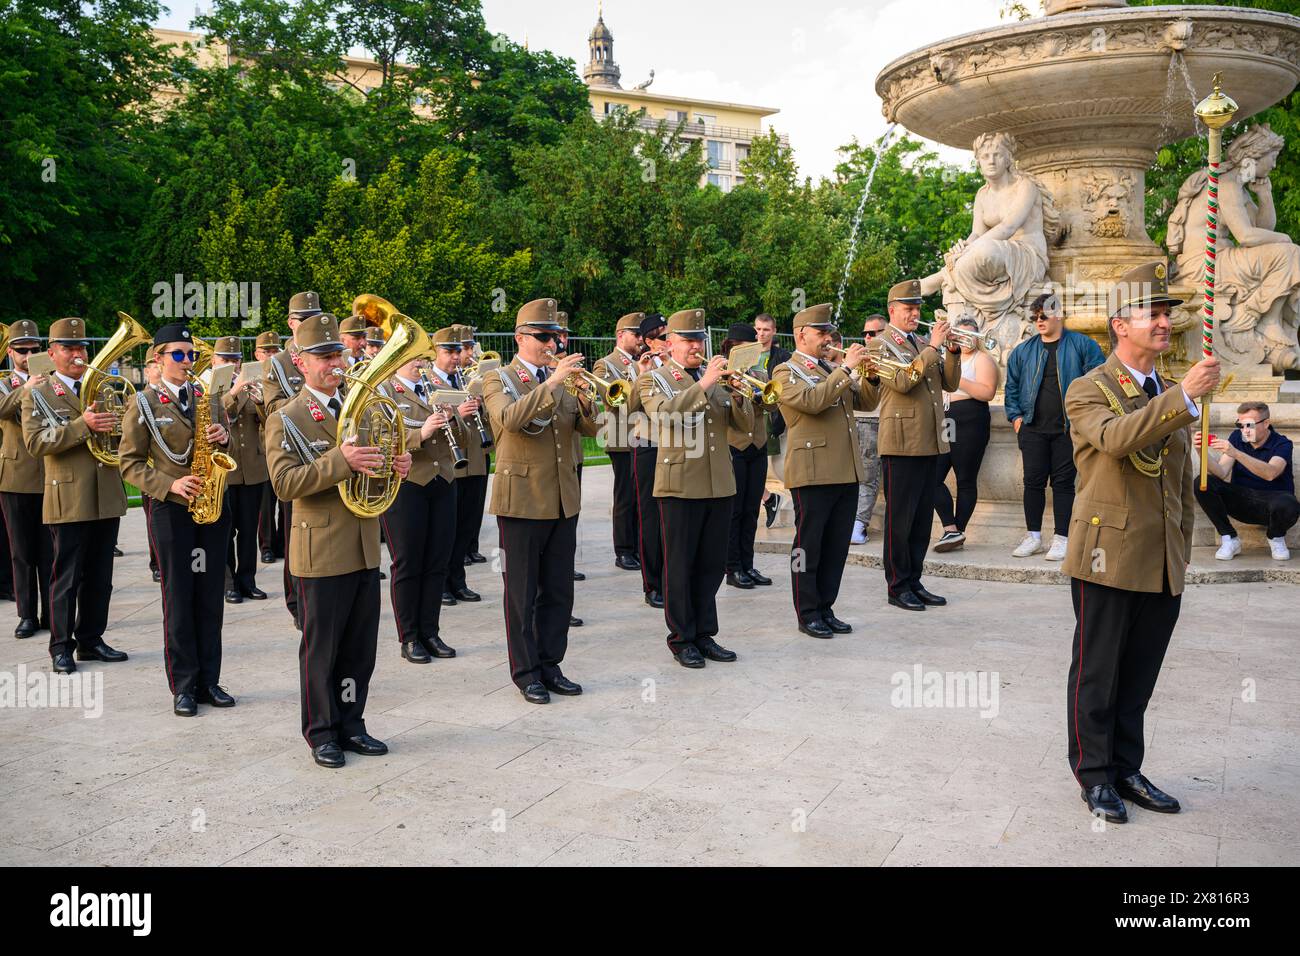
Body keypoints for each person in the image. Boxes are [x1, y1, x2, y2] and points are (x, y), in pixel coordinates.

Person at [1063, 261, 1221, 824]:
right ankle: (1095, 774)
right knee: (1098, 672)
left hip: (1160, 559)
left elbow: (1177, 480)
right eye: (1150, 313)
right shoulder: (1089, 387)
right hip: (1108, 555)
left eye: (1165, 313)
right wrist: (1184, 396)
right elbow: (1114, 439)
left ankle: (1127, 767)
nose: (1162, 322)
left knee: (1139, 676)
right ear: (1118, 326)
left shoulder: (1164, 390)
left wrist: (1182, 545)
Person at [264, 312, 410, 768]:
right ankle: (321, 731)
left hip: (364, 543)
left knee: (359, 648)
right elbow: (285, 484)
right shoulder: (285, 417)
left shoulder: (361, 406)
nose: (334, 363)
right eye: (323, 356)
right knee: (322, 648)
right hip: (320, 550)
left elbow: (374, 461)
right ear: (299, 362)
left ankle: (352, 723)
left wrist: (395, 465)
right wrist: (339, 460)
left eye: (337, 354)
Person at [480, 298, 596, 704]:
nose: (552, 343)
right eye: (544, 336)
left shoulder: (559, 379)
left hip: (563, 497)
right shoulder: (498, 378)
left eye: (556, 336)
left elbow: (589, 427)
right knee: (522, 591)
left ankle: (551, 663)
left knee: (559, 590)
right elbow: (510, 420)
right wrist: (551, 384)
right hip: (523, 500)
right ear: (520, 337)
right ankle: (526, 671)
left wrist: (587, 398)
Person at [120, 325, 236, 716]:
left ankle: (210, 680)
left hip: (211, 505)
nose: (188, 361)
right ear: (158, 359)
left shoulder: (209, 398)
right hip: (172, 510)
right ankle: (184, 685)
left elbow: (227, 444)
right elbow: (130, 464)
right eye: (179, 355)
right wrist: (170, 484)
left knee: (209, 595)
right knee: (179, 595)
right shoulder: (144, 404)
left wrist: (224, 438)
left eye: (191, 354)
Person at [639, 308, 753, 668]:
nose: (695, 346)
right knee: (680, 565)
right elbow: (667, 415)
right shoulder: (654, 379)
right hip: (679, 484)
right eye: (688, 340)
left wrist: (738, 395)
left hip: (719, 482)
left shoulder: (713, 378)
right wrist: (705, 384)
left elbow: (741, 428)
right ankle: (681, 637)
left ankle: (705, 633)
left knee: (711, 564)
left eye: (699, 339)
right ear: (670, 343)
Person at [21, 317, 129, 674]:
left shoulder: (100, 388)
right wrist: (84, 425)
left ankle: (91, 639)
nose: (77, 354)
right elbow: (36, 443)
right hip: (69, 496)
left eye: (81, 347)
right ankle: (60, 646)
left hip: (106, 493)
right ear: (51, 353)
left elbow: (119, 439)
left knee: (101, 576)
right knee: (67, 577)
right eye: (68, 348)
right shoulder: (38, 392)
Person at [774, 305, 877, 637]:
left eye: (830, 334)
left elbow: (865, 402)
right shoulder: (785, 372)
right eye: (821, 334)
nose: (829, 340)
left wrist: (871, 375)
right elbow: (813, 402)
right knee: (808, 545)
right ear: (801, 335)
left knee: (836, 546)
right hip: (813, 470)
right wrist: (846, 368)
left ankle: (826, 606)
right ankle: (806, 611)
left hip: (845, 469)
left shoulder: (832, 368)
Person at [868, 280, 960, 611]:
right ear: (892, 310)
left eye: (917, 308)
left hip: (929, 441)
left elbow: (949, 383)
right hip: (901, 443)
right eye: (909, 309)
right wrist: (934, 348)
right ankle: (897, 585)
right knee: (900, 519)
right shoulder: (880, 345)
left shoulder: (922, 342)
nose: (915, 314)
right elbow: (904, 381)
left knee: (922, 519)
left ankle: (914, 580)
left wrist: (951, 351)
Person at [379, 327, 467, 664]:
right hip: (407, 484)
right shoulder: (386, 391)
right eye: (416, 357)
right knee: (408, 561)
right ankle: (410, 636)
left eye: (425, 357)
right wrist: (422, 433)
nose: (421, 363)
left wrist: (455, 417)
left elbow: (461, 434)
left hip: (443, 480)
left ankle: (431, 631)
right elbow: (382, 437)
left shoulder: (440, 388)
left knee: (437, 561)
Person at [1005, 293, 1105, 559]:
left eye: (1044, 316)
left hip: (1068, 429)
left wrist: (1085, 421)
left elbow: (1100, 381)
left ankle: (1062, 537)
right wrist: (1016, 419)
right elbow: (1011, 387)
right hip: (1032, 428)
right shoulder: (1023, 351)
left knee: (1063, 484)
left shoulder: (1083, 345)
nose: (1039, 321)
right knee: (1033, 483)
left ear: (1058, 315)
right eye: (1035, 316)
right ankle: (1033, 536)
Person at [263, 291, 321, 631]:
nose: (309, 326)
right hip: (295, 456)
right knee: (294, 535)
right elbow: (272, 410)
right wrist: (307, 397)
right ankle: (296, 601)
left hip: (327, 453)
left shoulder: (322, 354)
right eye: (304, 321)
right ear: (290, 323)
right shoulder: (279, 364)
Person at [419, 326, 479, 606]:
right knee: (443, 533)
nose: (456, 357)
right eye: (449, 351)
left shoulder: (464, 380)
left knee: (465, 527)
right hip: (442, 465)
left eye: (458, 351)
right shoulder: (428, 381)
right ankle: (441, 583)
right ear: (434, 353)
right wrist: (458, 413)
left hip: (469, 460)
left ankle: (457, 580)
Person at [0, 320, 53, 637]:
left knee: (50, 552)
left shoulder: (51, 382)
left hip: (50, 474)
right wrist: (26, 389)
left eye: (34, 349)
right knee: (21, 551)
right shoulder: (6, 383)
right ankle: (26, 615)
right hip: (16, 477)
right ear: (10, 352)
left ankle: (50, 613)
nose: (28, 354)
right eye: (22, 350)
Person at [1193, 401, 1297, 560]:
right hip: (1241, 501)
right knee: (1203, 482)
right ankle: (1229, 538)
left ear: (1266, 423)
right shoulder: (1237, 437)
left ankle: (1276, 537)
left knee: (1289, 504)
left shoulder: (1282, 443)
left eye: (1249, 425)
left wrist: (1236, 453)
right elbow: (1221, 472)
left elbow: (1271, 473)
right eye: (1241, 425)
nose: (1245, 431)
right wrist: (1201, 451)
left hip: (1272, 505)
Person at [209, 336, 269, 604]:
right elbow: (215, 414)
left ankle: (248, 581)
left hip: (252, 468)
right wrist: (233, 392)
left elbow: (267, 422)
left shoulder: (249, 385)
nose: (232, 364)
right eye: (226, 359)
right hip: (225, 469)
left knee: (248, 530)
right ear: (214, 361)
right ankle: (228, 583)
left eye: (236, 360)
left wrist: (260, 401)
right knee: (225, 530)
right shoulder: (209, 387)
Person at [933, 316, 999, 552]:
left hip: (970, 417)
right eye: (961, 335)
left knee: (965, 479)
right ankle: (951, 528)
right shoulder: (944, 358)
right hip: (946, 418)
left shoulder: (982, 359)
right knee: (931, 476)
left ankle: (957, 530)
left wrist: (954, 376)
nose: (966, 339)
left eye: (971, 335)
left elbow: (987, 392)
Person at [722, 323, 775, 590]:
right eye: (746, 348)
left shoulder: (758, 370)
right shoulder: (722, 373)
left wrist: (761, 396)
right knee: (736, 510)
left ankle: (748, 563)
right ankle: (732, 568)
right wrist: (736, 387)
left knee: (752, 509)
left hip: (758, 444)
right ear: (733, 348)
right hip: (735, 446)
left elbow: (772, 400)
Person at [593, 312, 645, 572]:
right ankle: (624, 549)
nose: (640, 340)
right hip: (621, 437)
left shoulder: (644, 362)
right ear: (620, 335)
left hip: (645, 435)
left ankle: (638, 546)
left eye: (641, 335)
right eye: (636, 335)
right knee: (626, 496)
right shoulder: (605, 365)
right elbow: (613, 399)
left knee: (642, 495)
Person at [629, 313, 667, 608]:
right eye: (662, 337)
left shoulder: (677, 366)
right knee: (651, 516)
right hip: (649, 442)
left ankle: (673, 577)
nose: (667, 342)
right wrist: (642, 374)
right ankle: (652, 583)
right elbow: (626, 409)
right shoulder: (636, 368)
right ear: (648, 341)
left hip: (678, 444)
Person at [852, 314, 887, 545]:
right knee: (855, 477)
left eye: (872, 333)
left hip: (872, 421)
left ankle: (858, 525)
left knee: (867, 477)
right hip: (853, 422)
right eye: (865, 333)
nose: (867, 337)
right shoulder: (859, 357)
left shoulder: (890, 356)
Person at [458, 329, 491, 565]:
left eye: (470, 348)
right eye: (463, 349)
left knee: (475, 502)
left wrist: (481, 404)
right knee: (458, 507)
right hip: (458, 450)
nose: (469, 353)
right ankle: (459, 549)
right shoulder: (436, 378)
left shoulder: (474, 376)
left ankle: (471, 545)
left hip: (478, 449)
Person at [755, 313, 791, 528]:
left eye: (766, 330)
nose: (761, 334)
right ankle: (769, 498)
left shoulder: (783, 355)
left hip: (773, 415)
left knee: (778, 466)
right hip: (751, 414)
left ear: (774, 331)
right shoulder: (747, 353)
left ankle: (778, 499)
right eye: (758, 329)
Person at [253, 331, 283, 564]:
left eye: (275, 350)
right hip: (262, 447)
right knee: (265, 502)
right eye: (267, 351)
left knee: (287, 500)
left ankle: (282, 541)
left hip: (283, 443)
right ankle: (266, 545)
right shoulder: (252, 378)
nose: (272, 355)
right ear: (257, 354)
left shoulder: (282, 375)